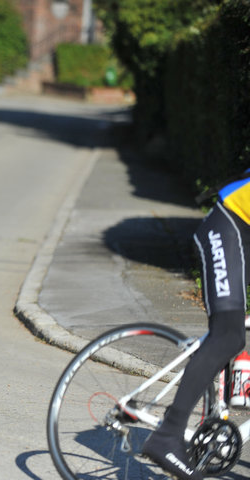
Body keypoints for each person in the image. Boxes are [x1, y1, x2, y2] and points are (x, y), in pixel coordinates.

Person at [141, 169, 250, 479]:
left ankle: (218, 413)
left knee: (230, 336)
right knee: (228, 336)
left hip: (245, 238)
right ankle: (168, 435)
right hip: (227, 229)